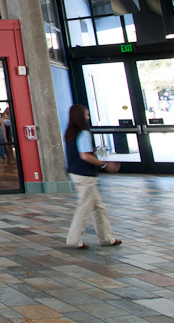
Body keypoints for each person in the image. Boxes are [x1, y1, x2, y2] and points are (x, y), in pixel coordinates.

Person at [64, 105, 121, 249]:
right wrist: (103, 164)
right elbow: (85, 155)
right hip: (85, 175)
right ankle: (73, 239)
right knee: (84, 208)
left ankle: (106, 238)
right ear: (80, 117)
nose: (88, 117)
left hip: (76, 173)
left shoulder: (70, 133)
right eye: (86, 115)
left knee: (99, 208)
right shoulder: (83, 133)